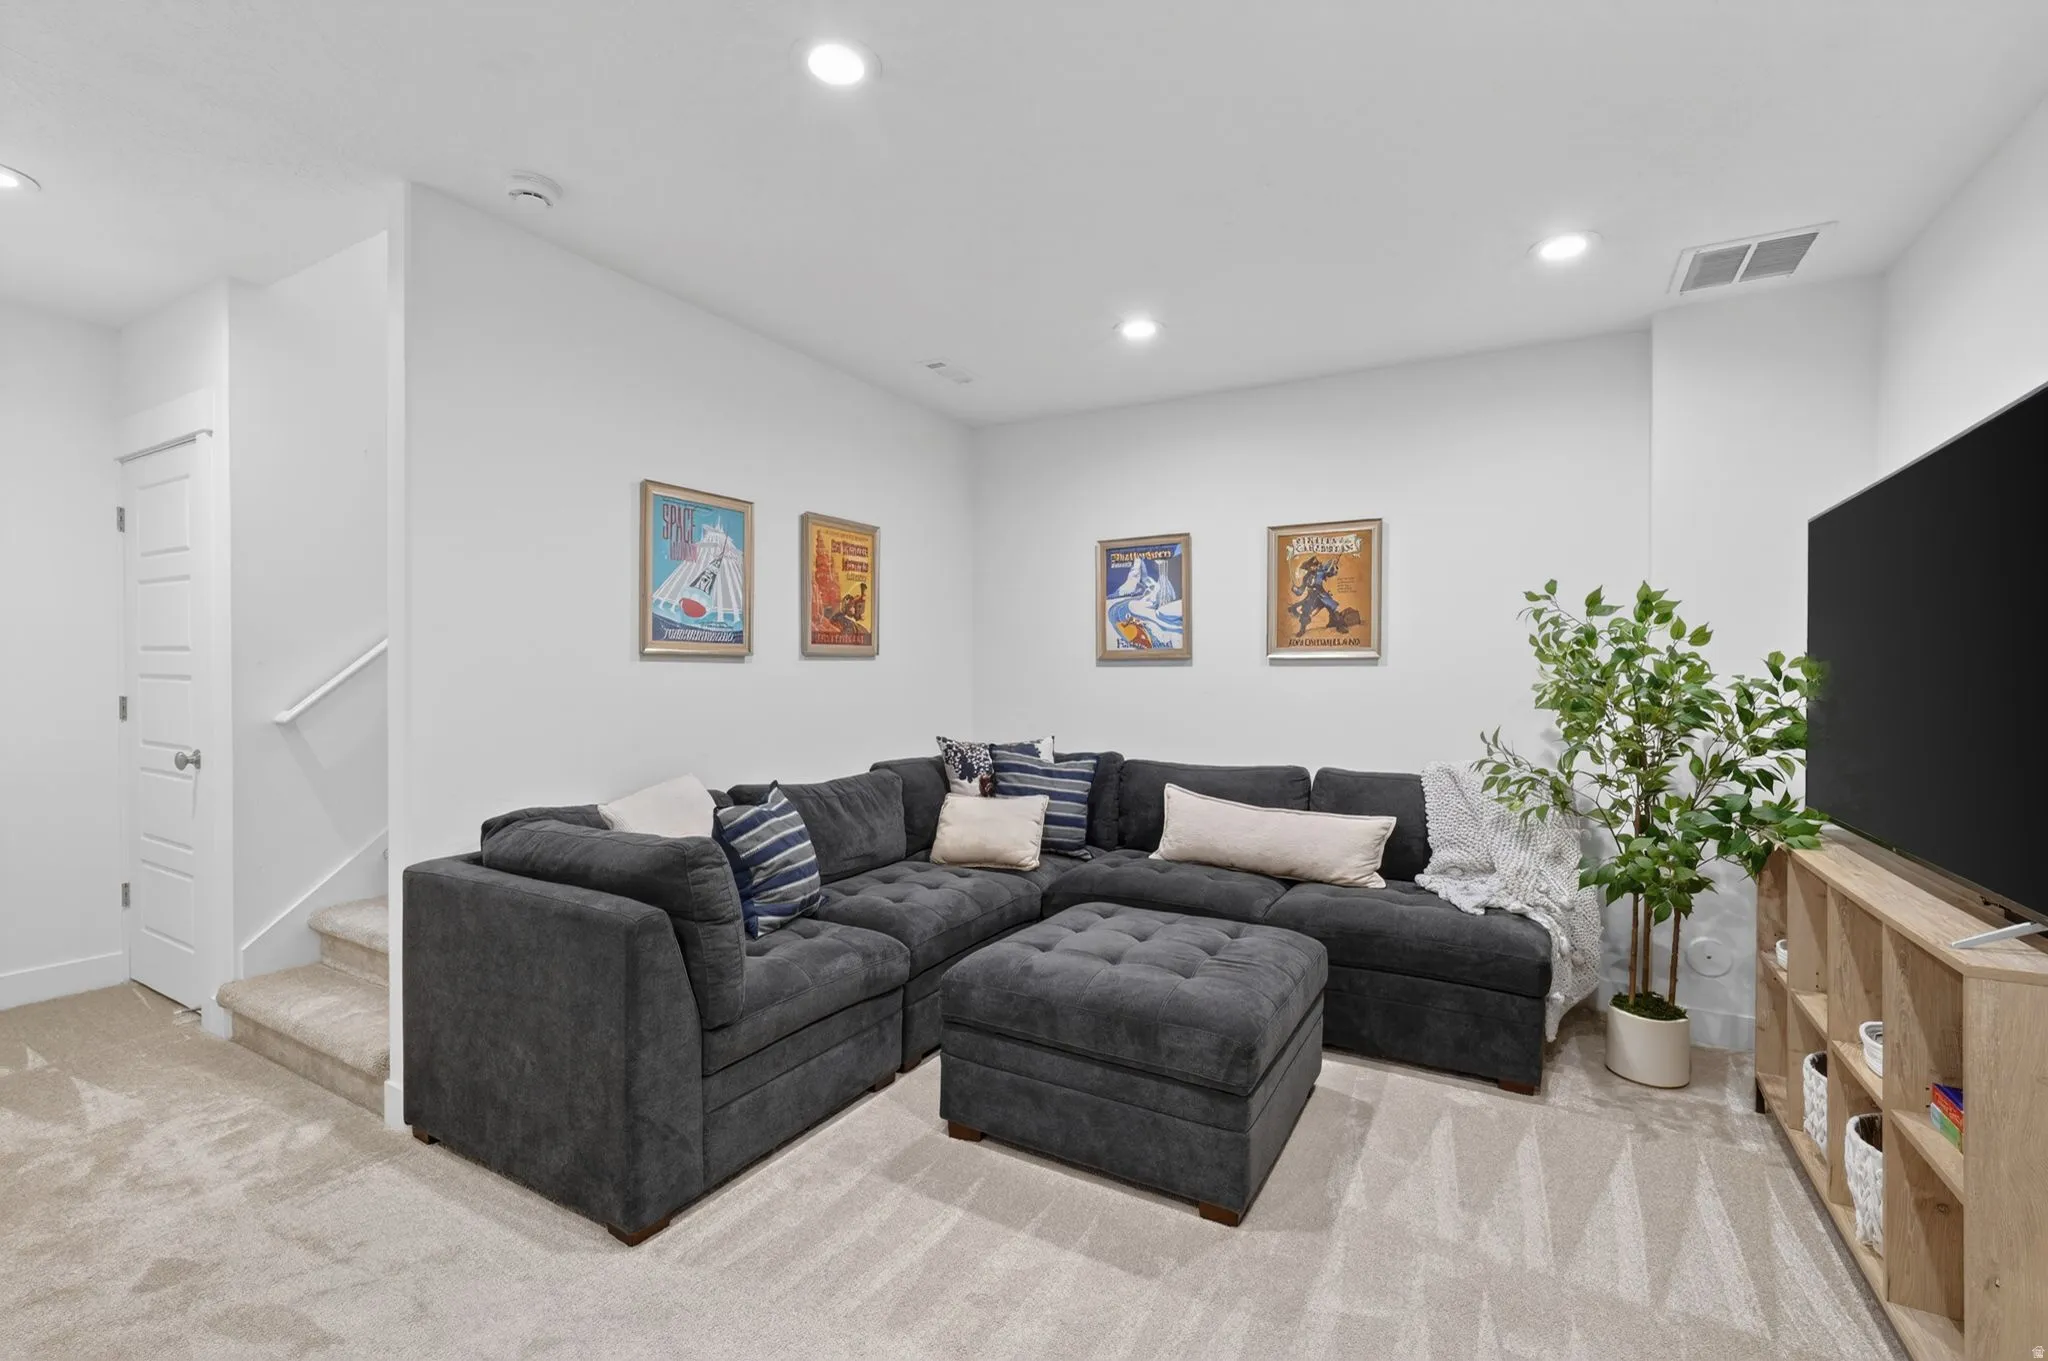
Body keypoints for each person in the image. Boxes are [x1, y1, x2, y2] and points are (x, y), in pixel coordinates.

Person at [1290, 555, 1350, 636]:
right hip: (1311, 597)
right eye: (1312, 566)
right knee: (1306, 611)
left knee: (1333, 607)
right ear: (1308, 567)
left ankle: (1340, 626)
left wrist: (1334, 566)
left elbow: (1330, 573)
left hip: (1322, 595)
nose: (1314, 567)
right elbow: (1300, 591)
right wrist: (1295, 589)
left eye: (1315, 565)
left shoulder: (1320, 572)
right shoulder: (1306, 577)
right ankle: (1302, 630)